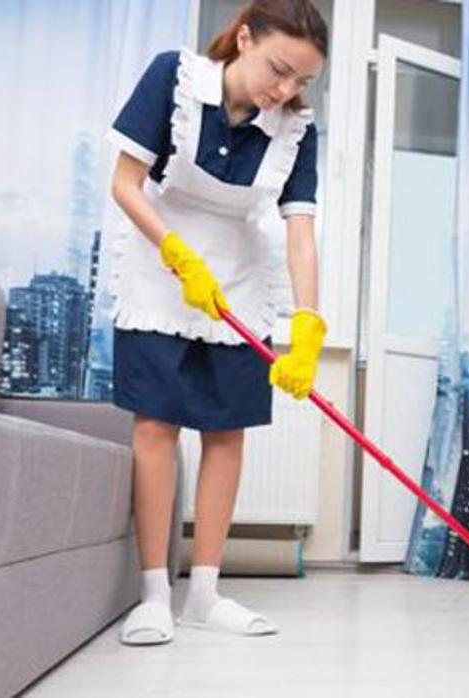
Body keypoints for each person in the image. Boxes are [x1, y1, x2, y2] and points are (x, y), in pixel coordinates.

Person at [106, 0, 328, 645]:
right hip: (160, 264)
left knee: (226, 431)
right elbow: (126, 184)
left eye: (301, 82)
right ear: (246, 37)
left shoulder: (295, 129)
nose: (284, 91)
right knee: (156, 425)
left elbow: (301, 232)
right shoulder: (174, 78)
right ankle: (154, 593)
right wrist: (175, 253)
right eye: (279, 70)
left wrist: (307, 325)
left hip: (237, 275)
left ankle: (204, 594)